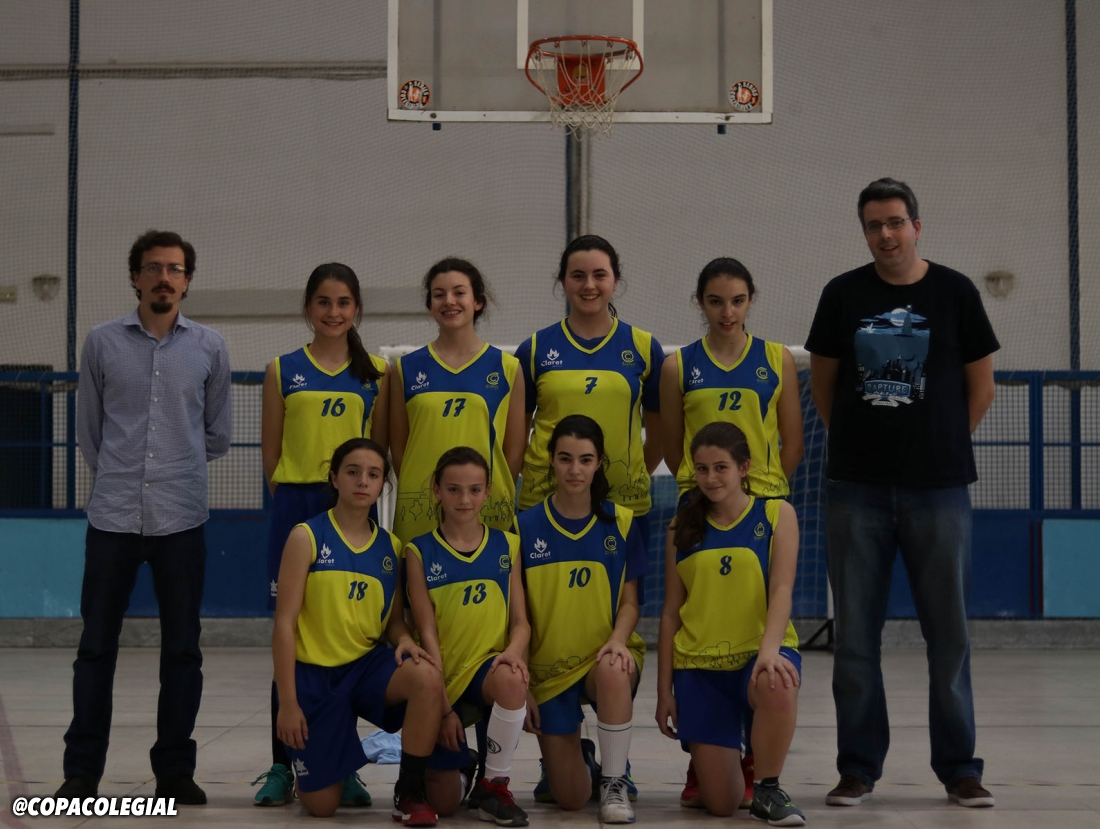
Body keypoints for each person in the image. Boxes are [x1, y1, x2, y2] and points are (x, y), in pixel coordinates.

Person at [805, 177, 999, 808]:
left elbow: (982, 387)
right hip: (856, 491)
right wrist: (864, 446)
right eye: (873, 225)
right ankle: (858, 767)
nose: (885, 235)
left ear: (917, 226)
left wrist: (938, 445)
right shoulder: (842, 294)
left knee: (950, 636)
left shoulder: (956, 292)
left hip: (939, 492)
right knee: (855, 639)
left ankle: (961, 768)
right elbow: (824, 386)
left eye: (895, 222)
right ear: (864, 232)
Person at [57, 230, 232, 804]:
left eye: (175, 269)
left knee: (182, 650)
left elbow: (217, 434)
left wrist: (173, 465)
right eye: (153, 267)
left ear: (187, 280)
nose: (164, 277)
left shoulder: (210, 347)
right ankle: (82, 773)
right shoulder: (101, 342)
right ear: (135, 277)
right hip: (112, 519)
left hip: (181, 518)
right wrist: (123, 472)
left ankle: (175, 772)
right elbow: (89, 432)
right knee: (95, 648)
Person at [659, 257, 804, 808]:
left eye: (738, 300)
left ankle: (756, 764)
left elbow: (792, 440)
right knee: (704, 617)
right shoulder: (679, 366)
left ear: (751, 301)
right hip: (705, 504)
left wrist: (760, 493)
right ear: (701, 303)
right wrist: (708, 487)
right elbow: (673, 447)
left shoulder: (776, 359)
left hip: (758, 504)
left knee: (757, 623)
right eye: (716, 301)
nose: (727, 311)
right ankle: (707, 750)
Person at [254, 262, 388, 807]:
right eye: (324, 302)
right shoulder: (282, 369)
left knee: (346, 633)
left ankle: (341, 762)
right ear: (308, 307)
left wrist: (350, 497)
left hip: (350, 507)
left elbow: (377, 452)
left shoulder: (376, 374)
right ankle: (281, 764)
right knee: (292, 633)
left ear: (356, 309)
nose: (334, 312)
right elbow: (271, 453)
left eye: (344, 302)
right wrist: (298, 503)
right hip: (298, 506)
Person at [273, 438, 443, 824]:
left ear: (383, 484)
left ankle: (409, 790)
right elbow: (284, 624)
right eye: (353, 472)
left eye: (373, 474)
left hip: (365, 668)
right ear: (334, 478)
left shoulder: (390, 546)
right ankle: (334, 758)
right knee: (322, 807)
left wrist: (405, 640)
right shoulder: (306, 536)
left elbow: (394, 621)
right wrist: (288, 703)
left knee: (427, 676)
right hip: (316, 677)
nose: (363, 481)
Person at [655, 422, 804, 826]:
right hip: (699, 667)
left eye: (721, 467)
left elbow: (782, 588)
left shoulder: (776, 514)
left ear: (744, 467)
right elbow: (670, 612)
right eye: (702, 469)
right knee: (721, 804)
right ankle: (723, 755)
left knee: (777, 679)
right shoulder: (680, 527)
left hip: (757, 655)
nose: (710, 478)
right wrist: (664, 691)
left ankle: (768, 788)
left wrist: (769, 650)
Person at [517, 415, 646, 825]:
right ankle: (585, 758)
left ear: (599, 463)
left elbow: (630, 604)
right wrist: (523, 682)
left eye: (586, 460)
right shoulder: (523, 528)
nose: (575, 469)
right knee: (571, 799)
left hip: (600, 658)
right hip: (549, 669)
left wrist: (618, 640)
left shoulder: (622, 522)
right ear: (551, 460)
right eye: (565, 458)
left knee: (613, 668)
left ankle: (614, 781)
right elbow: (518, 617)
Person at [404, 447, 531, 827]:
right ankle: (465, 764)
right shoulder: (418, 551)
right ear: (436, 490)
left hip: (486, 670)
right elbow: (426, 634)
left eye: (475, 490)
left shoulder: (507, 545)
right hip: (442, 678)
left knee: (511, 677)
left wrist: (513, 654)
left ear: (488, 491)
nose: (465, 499)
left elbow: (521, 622)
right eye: (454, 489)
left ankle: (494, 786)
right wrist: (443, 708)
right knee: (444, 804)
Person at [515, 235, 663, 536]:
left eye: (599, 275)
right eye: (578, 276)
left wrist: (624, 478)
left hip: (622, 505)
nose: (589, 285)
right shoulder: (534, 349)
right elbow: (515, 439)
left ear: (615, 281)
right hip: (544, 503)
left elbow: (660, 437)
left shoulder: (644, 348)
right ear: (563, 282)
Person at [390, 258, 525, 543]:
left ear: (478, 302)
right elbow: (399, 449)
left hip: (485, 509)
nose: (449, 301)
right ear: (430, 305)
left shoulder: (507, 367)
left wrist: (485, 491)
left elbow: (514, 450)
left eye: (459, 292)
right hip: (421, 510)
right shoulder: (405, 369)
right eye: (439, 294)